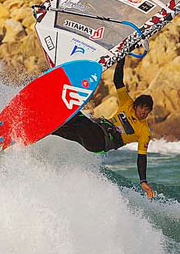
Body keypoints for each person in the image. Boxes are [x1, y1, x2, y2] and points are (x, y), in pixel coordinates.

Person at [49, 58, 155, 199]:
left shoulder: (144, 131)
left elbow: (142, 157)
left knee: (78, 117)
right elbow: (118, 81)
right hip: (95, 132)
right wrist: (122, 58)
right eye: (142, 108)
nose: (144, 112)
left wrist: (143, 181)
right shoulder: (127, 103)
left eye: (147, 111)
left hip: (100, 142)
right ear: (136, 105)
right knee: (63, 128)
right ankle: (40, 126)